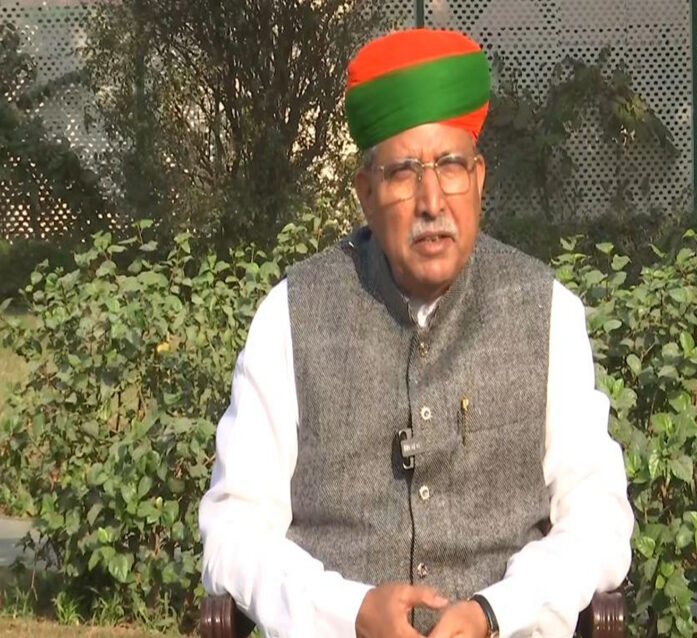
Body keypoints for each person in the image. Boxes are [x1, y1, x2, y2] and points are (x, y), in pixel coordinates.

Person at [199, 27, 633, 638]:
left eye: (450, 167)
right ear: (366, 193)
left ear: (478, 179)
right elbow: (233, 531)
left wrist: (496, 612)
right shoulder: (290, 316)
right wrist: (349, 613)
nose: (432, 201)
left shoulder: (547, 311)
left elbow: (598, 519)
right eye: (404, 173)